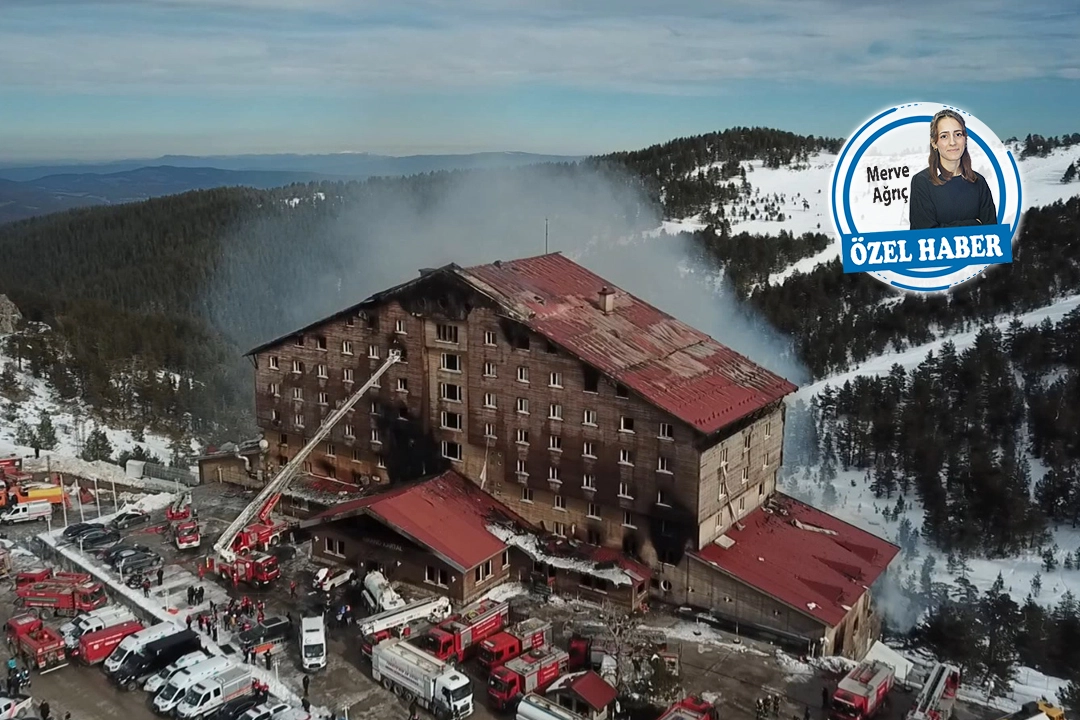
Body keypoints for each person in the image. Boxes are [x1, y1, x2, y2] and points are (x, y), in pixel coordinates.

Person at [909, 108, 998, 230]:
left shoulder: (979, 182)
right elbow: (924, 237)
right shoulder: (922, 182)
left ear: (965, 139)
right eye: (944, 136)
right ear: (934, 142)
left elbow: (992, 235)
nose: (953, 142)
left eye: (958, 134)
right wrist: (974, 224)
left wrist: (942, 228)